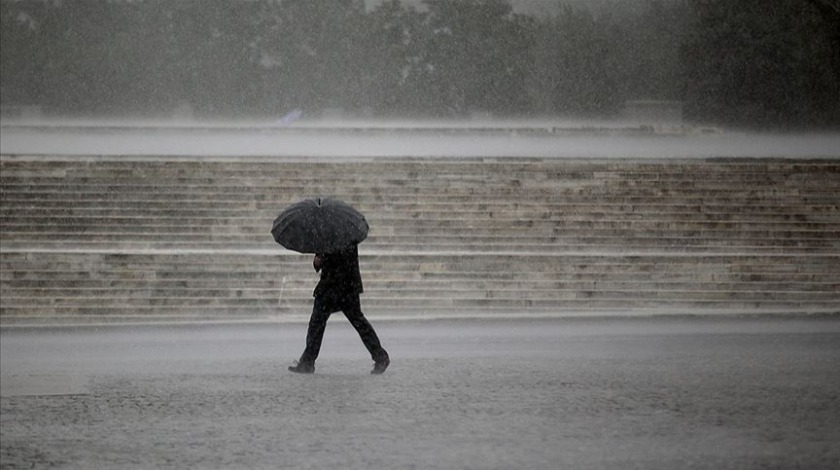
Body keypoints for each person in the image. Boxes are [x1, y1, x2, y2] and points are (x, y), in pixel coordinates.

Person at [288, 244, 390, 374]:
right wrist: (317, 261)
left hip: (340, 286)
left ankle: (308, 361)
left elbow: (340, 259)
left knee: (322, 322)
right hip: (338, 286)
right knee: (321, 322)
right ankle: (380, 356)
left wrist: (324, 258)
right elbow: (320, 262)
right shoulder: (338, 233)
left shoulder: (339, 235)